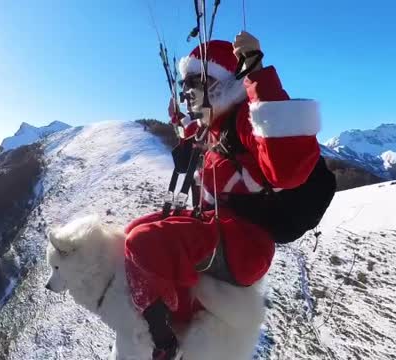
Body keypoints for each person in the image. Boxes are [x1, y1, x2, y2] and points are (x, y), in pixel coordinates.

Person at [124, 31, 322, 359]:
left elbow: (286, 164)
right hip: (219, 230)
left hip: (246, 244)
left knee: (141, 243)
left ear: (219, 85)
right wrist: (180, 116)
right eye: (184, 84)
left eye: (193, 83)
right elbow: (192, 132)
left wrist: (257, 74)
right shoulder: (214, 127)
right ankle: (175, 303)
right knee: (136, 228)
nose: (186, 92)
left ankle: (166, 338)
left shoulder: (246, 121)